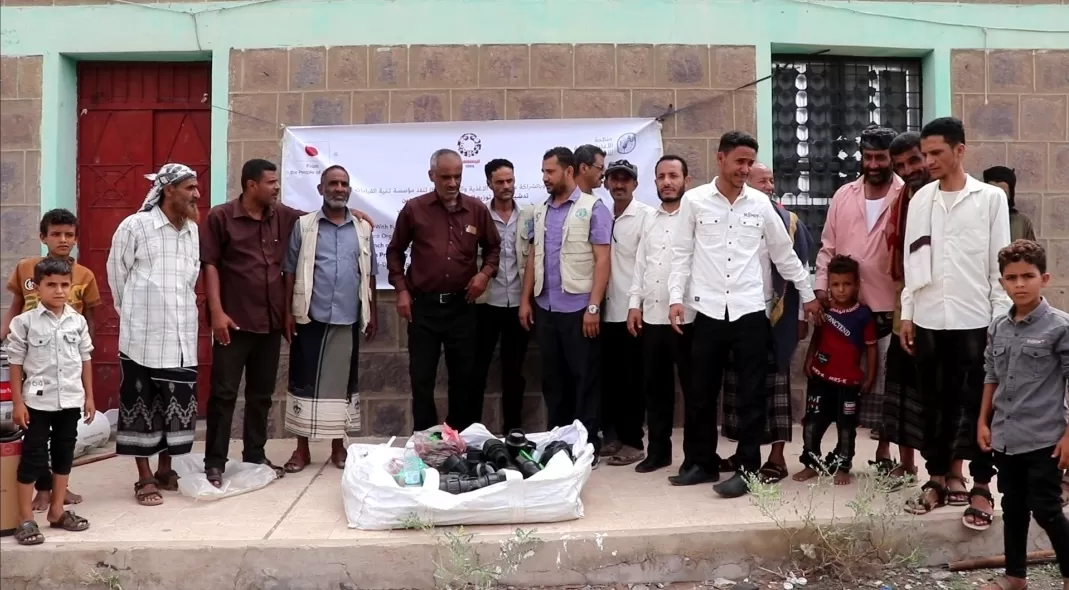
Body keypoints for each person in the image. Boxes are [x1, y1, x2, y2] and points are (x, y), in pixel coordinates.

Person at [667, 131, 822, 497]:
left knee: (752, 395)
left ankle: (747, 468)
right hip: (706, 310)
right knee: (701, 392)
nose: (745, 168)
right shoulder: (695, 201)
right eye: (739, 161)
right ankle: (700, 463)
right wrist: (676, 298)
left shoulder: (760, 204)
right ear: (720, 158)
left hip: (751, 311)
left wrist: (809, 294)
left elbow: (785, 255)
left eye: (750, 162)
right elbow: (681, 253)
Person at [900, 117, 1011, 531]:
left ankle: (981, 485)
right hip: (929, 317)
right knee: (934, 402)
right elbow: (913, 260)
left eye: (936, 153)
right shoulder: (920, 200)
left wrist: (999, 323)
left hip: (976, 318)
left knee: (980, 404)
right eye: (924, 154)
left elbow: (999, 264)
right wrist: (908, 312)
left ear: (960, 150)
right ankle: (936, 478)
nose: (928, 161)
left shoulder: (988, 200)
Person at [106, 163, 202, 507]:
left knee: (176, 406)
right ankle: (144, 478)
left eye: (196, 187)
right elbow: (116, 277)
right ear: (168, 190)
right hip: (142, 338)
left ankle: (165, 469)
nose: (196, 194)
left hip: (181, 335)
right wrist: (133, 315)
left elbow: (191, 277)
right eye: (189, 188)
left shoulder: (191, 231)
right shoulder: (135, 226)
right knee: (141, 406)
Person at [387, 149, 501, 432]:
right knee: (422, 378)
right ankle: (426, 439)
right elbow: (394, 252)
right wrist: (401, 290)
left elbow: (493, 248)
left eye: (457, 176)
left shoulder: (476, 209)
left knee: (463, 378)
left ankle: (458, 437)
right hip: (423, 308)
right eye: (446, 177)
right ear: (432, 176)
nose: (452, 183)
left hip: (462, 307)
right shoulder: (415, 209)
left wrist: (484, 274)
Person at [978, 240, 1069, 590]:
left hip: (1045, 438)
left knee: (1046, 509)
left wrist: (1068, 436)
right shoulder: (999, 327)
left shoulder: (1059, 327)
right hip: (1005, 435)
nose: (1019, 284)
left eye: (1027, 276)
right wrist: (983, 422)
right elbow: (991, 375)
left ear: (1043, 278)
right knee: (1013, 507)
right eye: (1011, 277)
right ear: (1001, 282)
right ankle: (1015, 577)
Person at [201, 159, 295, 485]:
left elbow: (319, 218)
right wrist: (216, 312)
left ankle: (255, 454)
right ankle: (215, 462)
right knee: (224, 394)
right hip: (234, 322)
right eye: (271, 182)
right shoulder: (221, 217)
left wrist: (357, 214)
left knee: (261, 395)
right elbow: (209, 264)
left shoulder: (282, 215)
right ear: (251, 185)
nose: (276, 187)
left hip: (270, 323)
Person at [720, 162, 813, 483]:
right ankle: (745, 452)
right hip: (738, 318)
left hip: (777, 322)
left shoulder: (789, 223)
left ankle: (776, 458)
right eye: (763, 181)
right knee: (740, 389)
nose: (769, 186)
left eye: (772, 180)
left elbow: (799, 268)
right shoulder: (730, 218)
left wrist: (800, 317)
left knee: (776, 389)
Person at [1, 209, 99, 511]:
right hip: (32, 360)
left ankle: (58, 492)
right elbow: (16, 306)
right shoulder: (27, 268)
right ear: (43, 236)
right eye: (56, 234)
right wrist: (2, 335)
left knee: (63, 439)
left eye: (69, 235)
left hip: (66, 360)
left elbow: (90, 319)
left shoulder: (84, 276)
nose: (63, 240)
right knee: (35, 432)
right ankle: (41, 490)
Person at [519, 146, 612, 464]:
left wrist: (594, 307)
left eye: (550, 172)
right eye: (543, 172)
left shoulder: (594, 208)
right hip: (547, 309)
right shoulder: (541, 210)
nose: (545, 178)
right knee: (553, 380)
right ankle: (557, 444)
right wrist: (525, 301)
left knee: (585, 380)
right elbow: (534, 256)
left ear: (569, 172)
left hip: (579, 311)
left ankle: (587, 448)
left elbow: (603, 260)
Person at [281, 165, 378, 471]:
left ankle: (338, 448)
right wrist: (288, 312)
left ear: (349, 189)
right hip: (310, 315)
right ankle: (301, 450)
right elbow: (290, 270)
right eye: (333, 183)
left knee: (342, 386)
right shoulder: (304, 225)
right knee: (302, 381)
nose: (339, 188)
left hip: (347, 316)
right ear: (321, 188)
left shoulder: (362, 228)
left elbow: (370, 272)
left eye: (344, 184)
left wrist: (371, 312)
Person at [814, 124, 901, 449]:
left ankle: (884, 451)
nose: (875, 164)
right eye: (869, 157)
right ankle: (838, 451)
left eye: (881, 157)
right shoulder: (843, 195)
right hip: (844, 307)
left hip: (887, 307)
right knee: (838, 381)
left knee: (887, 385)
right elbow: (827, 247)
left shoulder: (905, 194)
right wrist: (821, 287)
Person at [7, 258, 95, 545]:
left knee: (64, 453)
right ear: (37, 287)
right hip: (36, 403)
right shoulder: (24, 323)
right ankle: (26, 519)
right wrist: (19, 403)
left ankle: (57, 511)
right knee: (33, 457)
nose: (59, 291)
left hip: (70, 400)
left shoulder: (77, 321)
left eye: (64, 285)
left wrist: (90, 396)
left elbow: (85, 359)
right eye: (51, 285)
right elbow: (16, 364)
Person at [626, 155, 693, 473]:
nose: (667, 182)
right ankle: (659, 452)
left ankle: (694, 455)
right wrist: (634, 305)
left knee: (694, 390)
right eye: (661, 176)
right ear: (655, 182)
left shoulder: (694, 217)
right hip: (651, 317)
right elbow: (641, 265)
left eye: (673, 176)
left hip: (686, 318)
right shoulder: (648, 220)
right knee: (655, 389)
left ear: (685, 180)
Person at [794, 255, 877, 486]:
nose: (841, 290)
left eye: (847, 284)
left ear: (857, 284)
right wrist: (810, 359)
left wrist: (869, 376)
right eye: (835, 284)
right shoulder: (825, 310)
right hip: (820, 379)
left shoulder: (863, 315)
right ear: (828, 285)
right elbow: (817, 336)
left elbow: (871, 349)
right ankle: (810, 463)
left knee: (846, 428)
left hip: (849, 384)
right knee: (811, 423)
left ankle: (843, 466)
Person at [879, 131, 930, 486]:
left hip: (947, 312)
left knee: (946, 393)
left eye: (914, 160)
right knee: (900, 386)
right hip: (906, 308)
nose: (909, 169)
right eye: (901, 166)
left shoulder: (944, 196)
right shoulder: (902, 200)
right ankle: (906, 463)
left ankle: (949, 474)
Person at [472, 159, 530, 434]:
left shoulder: (529, 215)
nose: (506, 187)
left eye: (510, 181)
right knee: (477, 369)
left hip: (519, 304)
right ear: (489, 184)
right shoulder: (479, 216)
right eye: (500, 182)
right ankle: (473, 432)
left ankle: (513, 430)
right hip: (486, 304)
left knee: (514, 372)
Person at [600, 159, 652, 466]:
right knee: (611, 379)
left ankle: (634, 442)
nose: (619, 184)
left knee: (634, 380)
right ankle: (615, 437)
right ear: (606, 183)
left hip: (632, 312)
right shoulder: (601, 215)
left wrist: (640, 305)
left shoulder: (645, 217)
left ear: (635, 184)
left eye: (625, 180)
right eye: (614, 179)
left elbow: (648, 265)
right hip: (604, 311)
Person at [983, 166, 1037, 242]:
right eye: (994, 194)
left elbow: (1032, 252)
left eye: (1003, 194)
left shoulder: (1021, 223)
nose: (998, 199)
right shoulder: (977, 219)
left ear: (1010, 194)